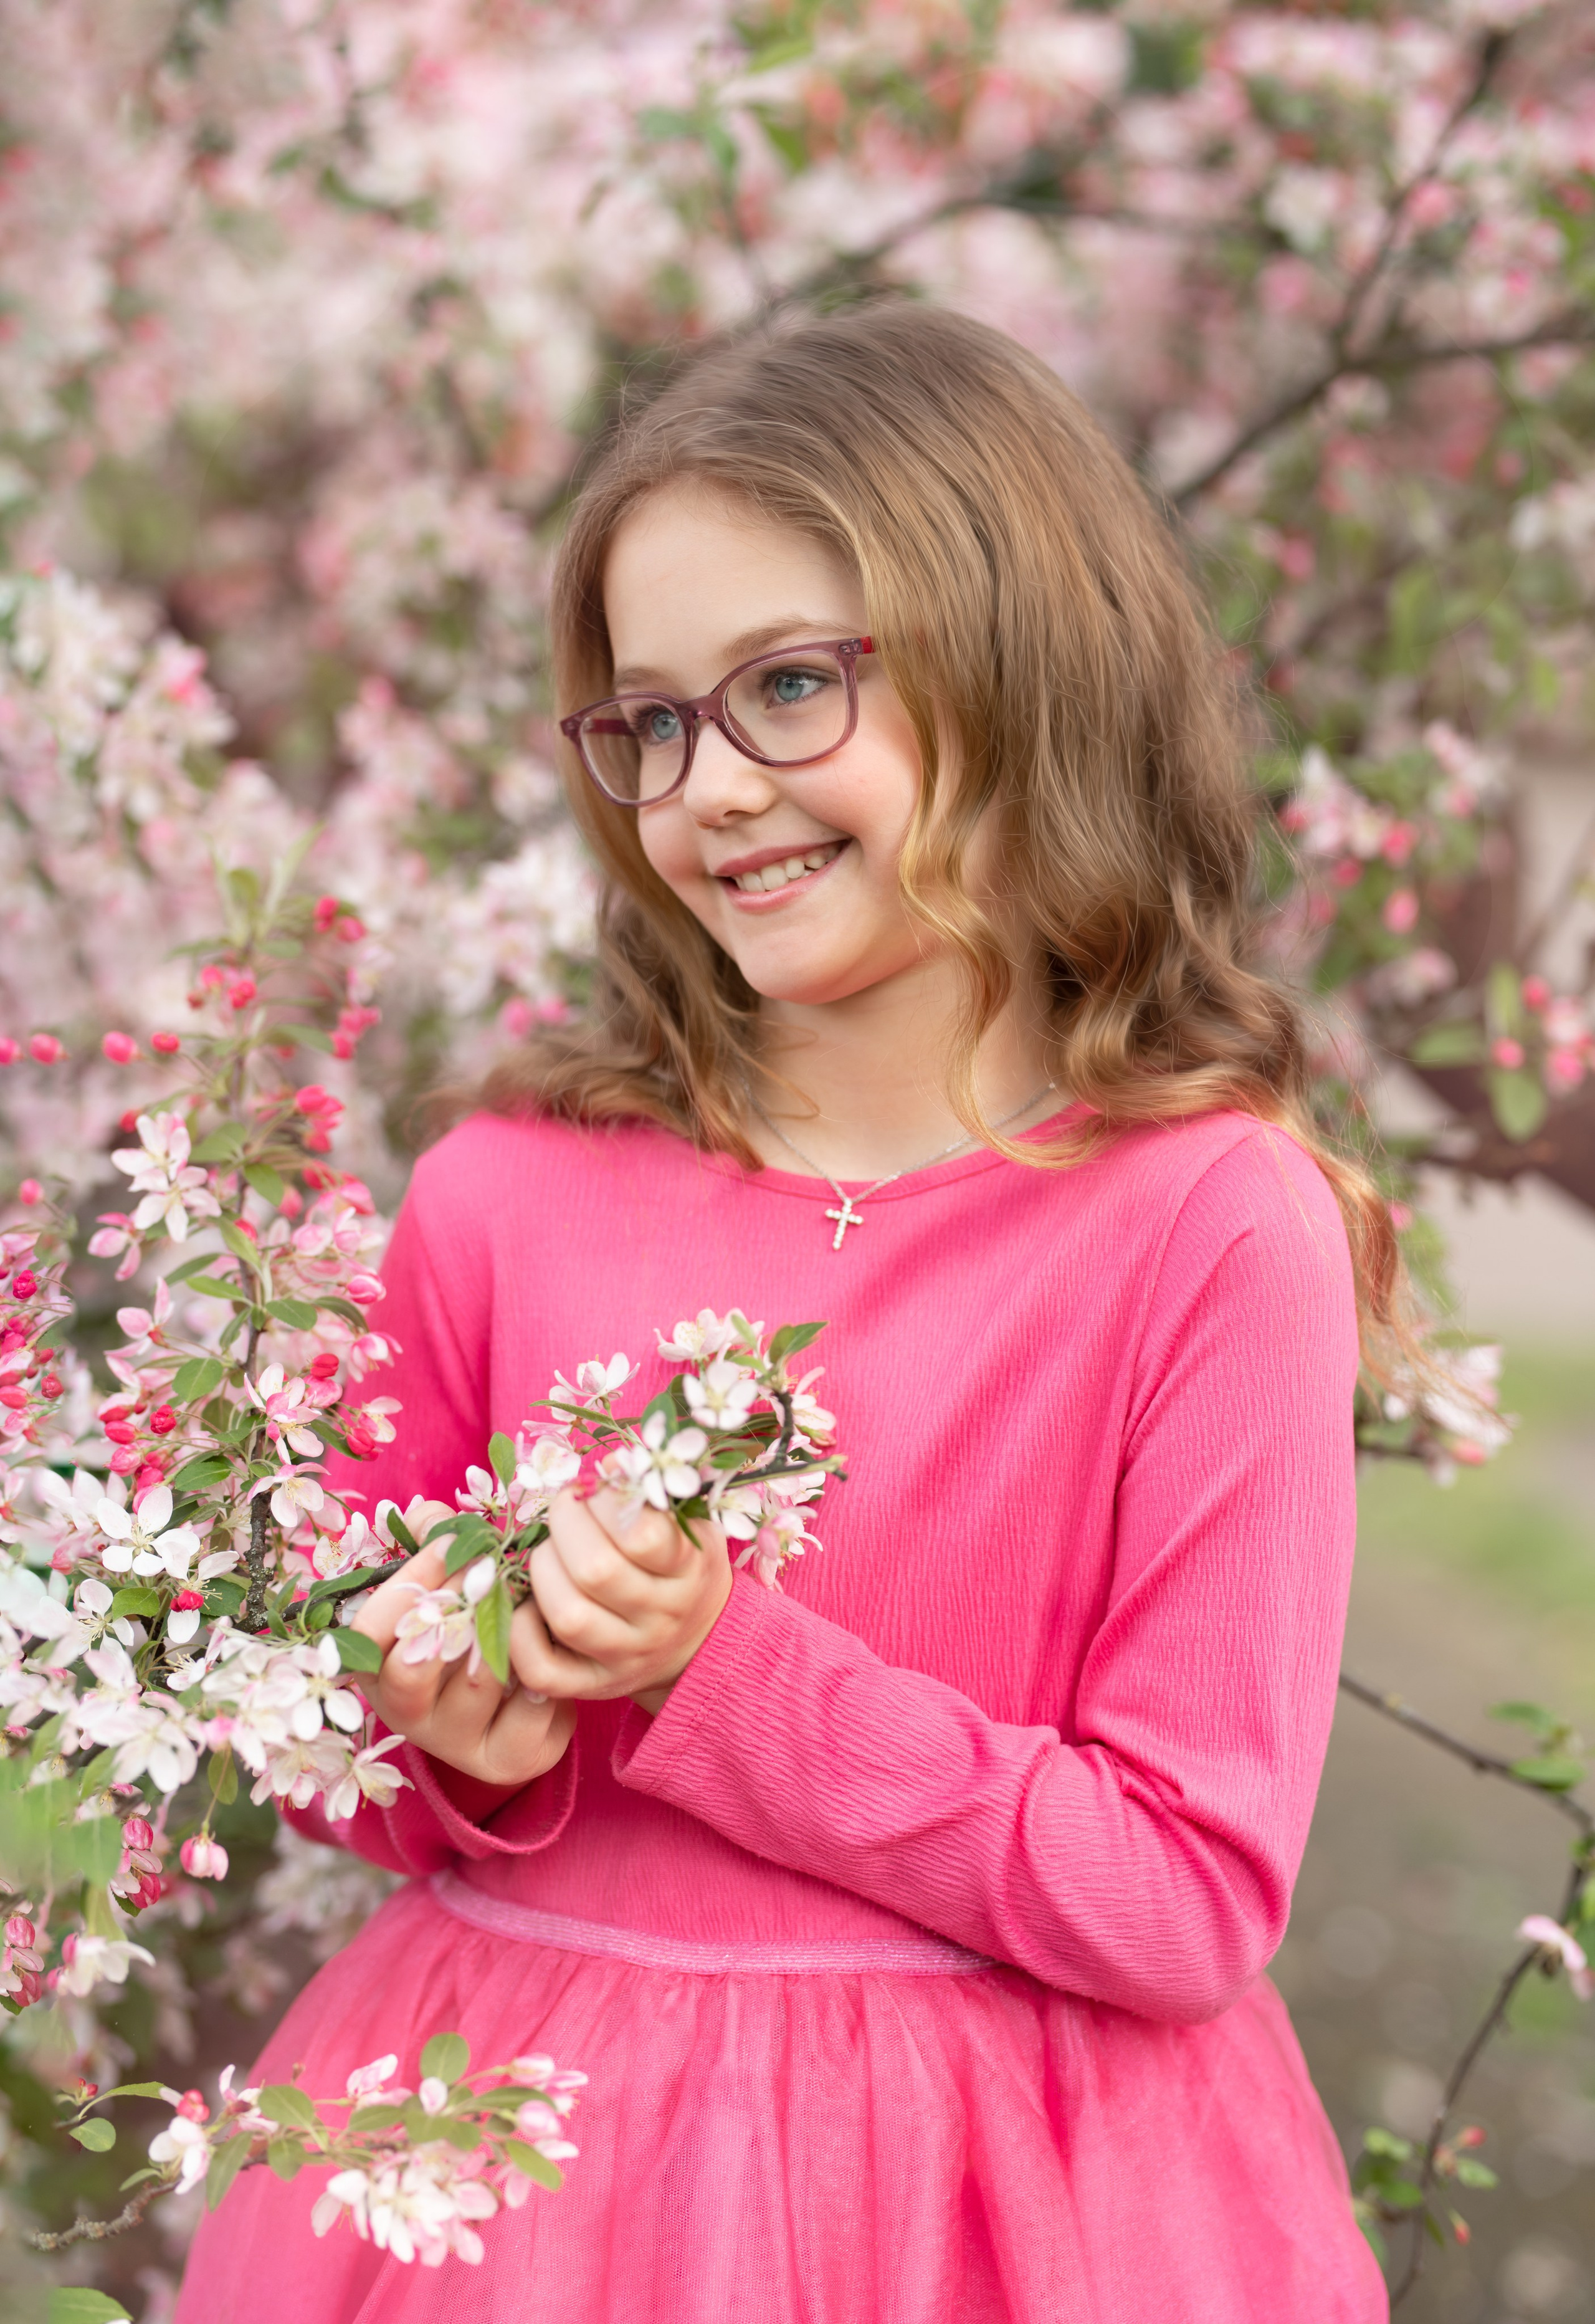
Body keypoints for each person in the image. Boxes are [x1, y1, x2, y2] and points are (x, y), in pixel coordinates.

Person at [176, 300, 1394, 2323]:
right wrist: (455, 1742)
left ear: (1023, 658)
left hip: (995, 2214)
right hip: (518, 2197)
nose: (712, 788)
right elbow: (353, 1758)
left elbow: (1184, 1894)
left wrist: (726, 1674)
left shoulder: (1205, 1225)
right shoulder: (507, 1192)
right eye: (650, 722)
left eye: (793, 686)